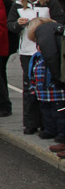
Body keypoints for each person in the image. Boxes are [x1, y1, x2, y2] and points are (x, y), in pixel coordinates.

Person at [7, 0, 65, 134]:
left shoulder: (50, 2)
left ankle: (49, 125)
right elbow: (10, 25)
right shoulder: (17, 4)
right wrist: (18, 24)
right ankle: (30, 123)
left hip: (48, 50)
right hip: (27, 51)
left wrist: (45, 23)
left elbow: (60, 22)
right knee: (29, 87)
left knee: (49, 86)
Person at [27, 18, 65, 150]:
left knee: (59, 114)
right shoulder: (37, 58)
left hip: (56, 93)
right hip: (43, 93)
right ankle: (50, 130)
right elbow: (33, 76)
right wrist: (33, 89)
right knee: (47, 114)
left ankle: (61, 134)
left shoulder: (50, 57)